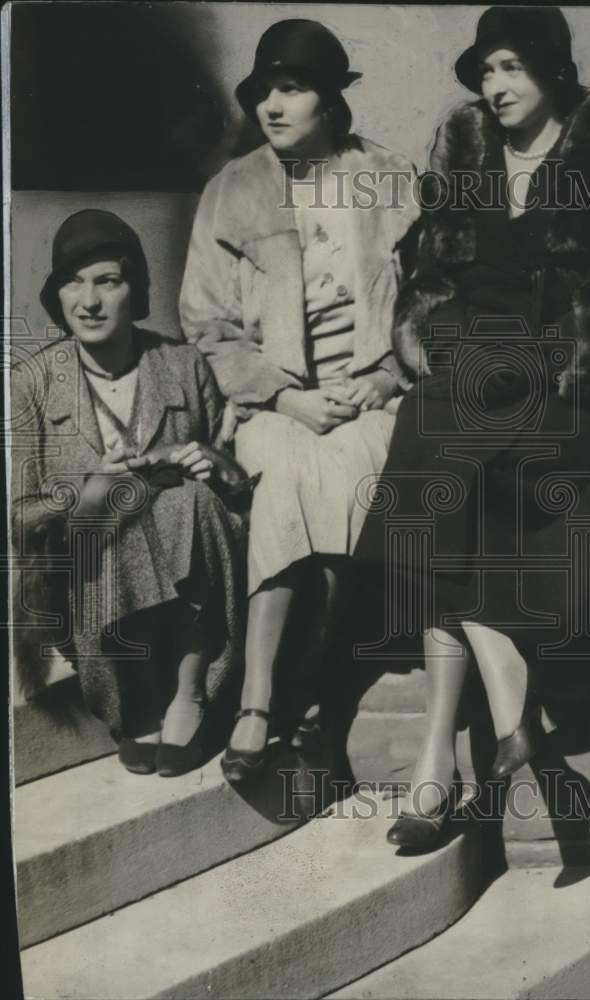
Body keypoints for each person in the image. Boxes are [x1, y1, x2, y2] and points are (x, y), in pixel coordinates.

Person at [355, 6, 590, 850]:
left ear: (553, 70)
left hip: (564, 380)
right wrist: (449, 345)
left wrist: (545, 363)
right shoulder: (466, 153)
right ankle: (494, 726)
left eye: (512, 67)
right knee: (432, 435)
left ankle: (437, 768)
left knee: (465, 474)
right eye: (486, 71)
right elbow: (429, 282)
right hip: (469, 363)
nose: (495, 86)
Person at [179, 19, 420, 782]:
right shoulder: (231, 190)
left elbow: (431, 302)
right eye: (263, 92)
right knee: (284, 477)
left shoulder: (389, 178)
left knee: (348, 474)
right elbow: (206, 325)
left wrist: (387, 378)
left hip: (367, 396)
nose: (272, 107)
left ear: (330, 100)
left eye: (292, 89)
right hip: (271, 404)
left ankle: (308, 688)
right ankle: (260, 698)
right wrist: (285, 398)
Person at [11, 209, 247, 778]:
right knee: (114, 509)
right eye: (73, 282)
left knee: (192, 499)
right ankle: (134, 696)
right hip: (88, 584)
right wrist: (86, 494)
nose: (89, 301)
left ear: (133, 289)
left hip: (193, 581)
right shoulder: (32, 382)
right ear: (57, 296)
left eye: (107, 281)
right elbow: (17, 520)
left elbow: (239, 491)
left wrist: (213, 463)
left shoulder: (183, 365)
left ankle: (189, 691)